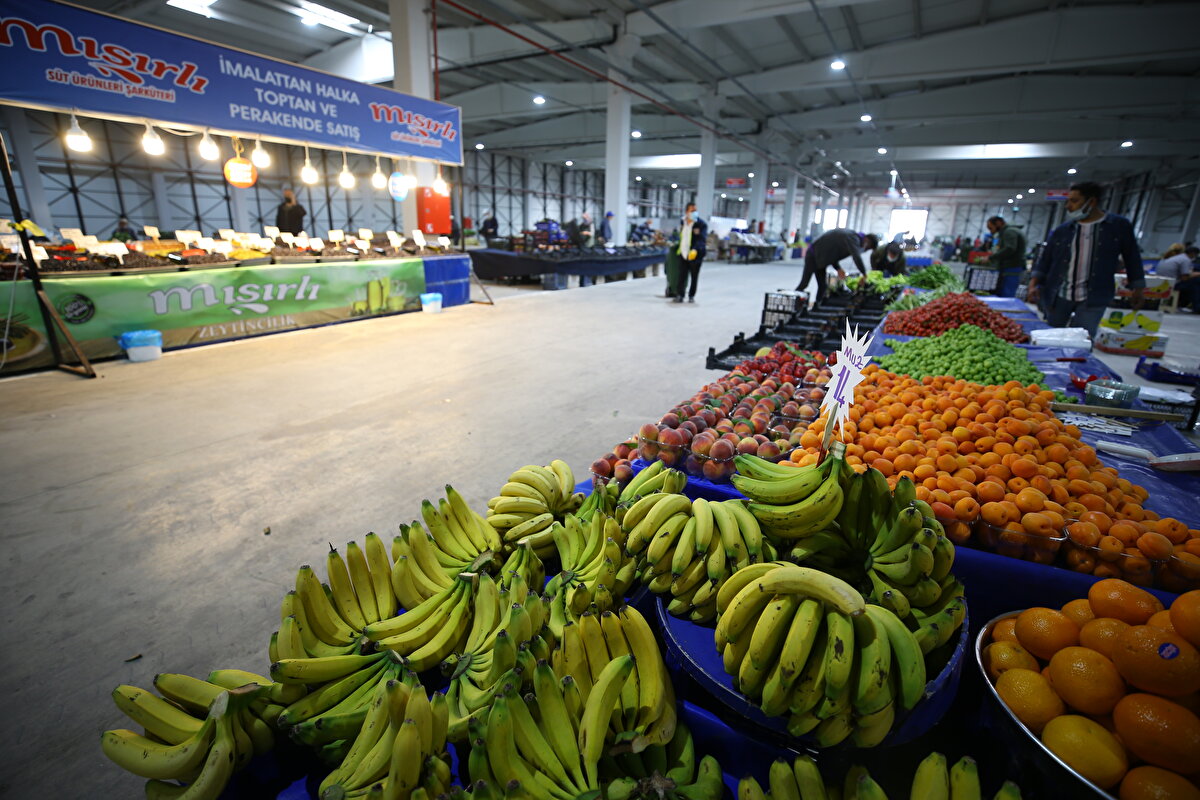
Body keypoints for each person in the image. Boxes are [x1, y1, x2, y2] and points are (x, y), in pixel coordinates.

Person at [1029, 181, 1145, 336]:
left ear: (1092, 201)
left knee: (1083, 337)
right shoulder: (1063, 231)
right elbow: (1045, 260)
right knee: (1050, 336)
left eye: (1074, 201)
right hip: (1060, 293)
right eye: (1068, 201)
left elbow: (1132, 257)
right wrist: (1033, 285)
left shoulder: (1117, 227)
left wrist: (1138, 288)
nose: (1068, 206)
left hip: (1094, 295)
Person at [796, 229, 879, 302]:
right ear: (867, 241)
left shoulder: (852, 237)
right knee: (804, 283)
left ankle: (818, 304)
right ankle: (794, 303)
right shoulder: (853, 238)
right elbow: (856, 256)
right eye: (868, 248)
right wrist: (864, 274)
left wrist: (838, 268)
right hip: (813, 256)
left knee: (823, 286)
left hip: (820, 258)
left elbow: (831, 253)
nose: (866, 249)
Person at [670, 203, 708, 303]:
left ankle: (691, 296)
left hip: (695, 255)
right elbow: (682, 236)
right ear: (687, 212)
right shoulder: (683, 222)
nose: (694, 213)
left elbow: (702, 239)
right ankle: (680, 295)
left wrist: (695, 249)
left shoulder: (701, 224)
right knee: (682, 276)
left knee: (694, 277)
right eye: (692, 211)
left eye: (695, 210)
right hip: (683, 253)